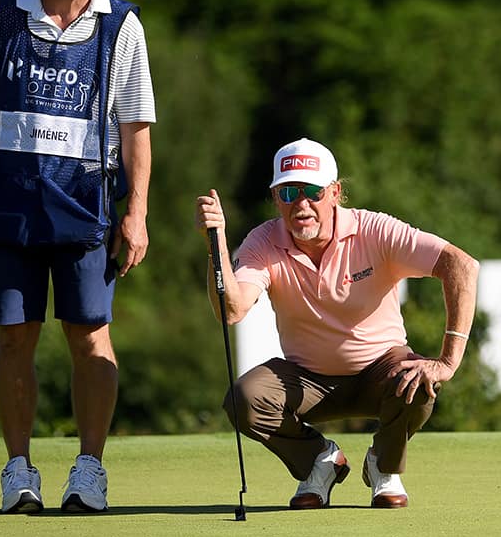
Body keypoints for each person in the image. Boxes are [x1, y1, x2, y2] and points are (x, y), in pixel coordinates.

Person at [0, 0, 155, 514]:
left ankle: (89, 469)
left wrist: (136, 211)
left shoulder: (123, 27)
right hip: (9, 202)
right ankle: (18, 469)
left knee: (91, 338)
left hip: (86, 206)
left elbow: (136, 126)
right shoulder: (1, 14)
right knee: (14, 337)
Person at [194, 137, 479, 509]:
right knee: (245, 400)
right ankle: (319, 462)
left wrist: (447, 361)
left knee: (419, 384)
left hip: (381, 371)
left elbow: (461, 265)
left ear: (335, 192)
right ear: (277, 197)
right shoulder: (262, 242)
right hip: (307, 378)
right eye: (289, 191)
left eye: (312, 191)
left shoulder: (374, 230)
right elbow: (231, 310)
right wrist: (215, 242)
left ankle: (383, 466)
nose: (302, 204)